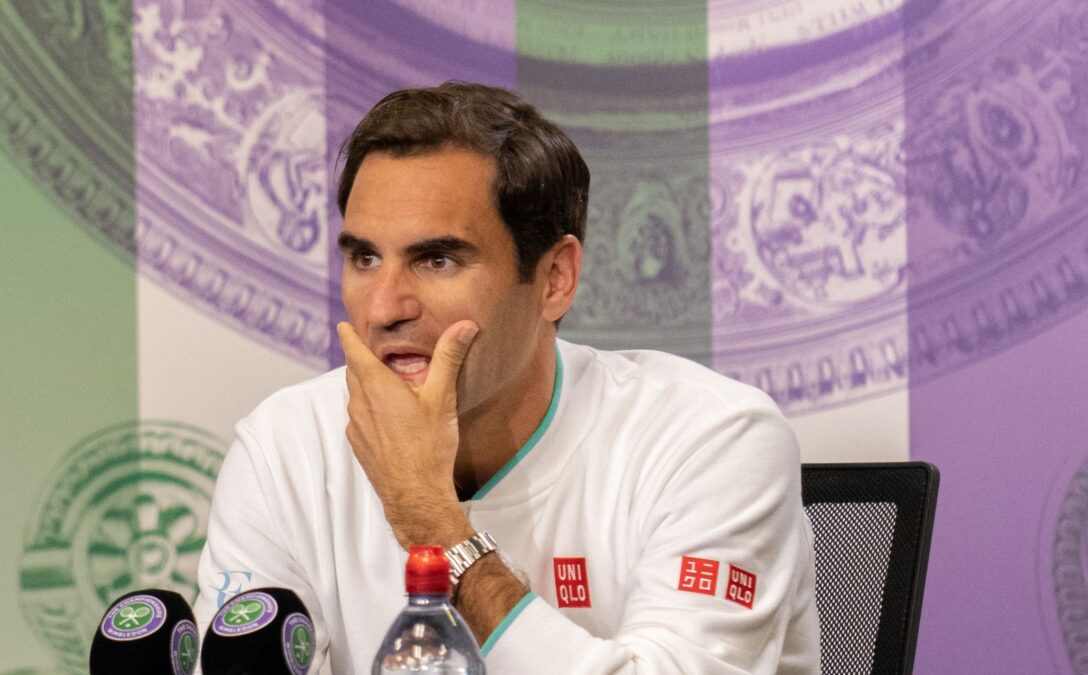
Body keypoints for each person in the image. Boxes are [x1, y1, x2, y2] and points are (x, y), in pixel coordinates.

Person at [194, 82, 819, 674]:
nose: (384, 309)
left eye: (436, 260)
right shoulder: (285, 445)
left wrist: (434, 526)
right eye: (364, 257)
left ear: (554, 279)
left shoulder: (712, 438)